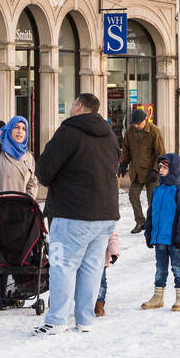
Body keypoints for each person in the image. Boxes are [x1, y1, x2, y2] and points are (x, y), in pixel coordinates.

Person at [32, 93, 120, 336]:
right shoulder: (110, 135)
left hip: (72, 212)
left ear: (78, 106)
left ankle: (57, 320)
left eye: (72, 104)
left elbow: (44, 170)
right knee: (92, 268)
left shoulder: (69, 131)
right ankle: (85, 319)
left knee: (62, 266)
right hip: (105, 213)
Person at [0, 115, 38, 311]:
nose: (20, 132)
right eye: (16, 128)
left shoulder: (28, 156)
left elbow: (32, 182)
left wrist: (28, 199)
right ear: (9, 130)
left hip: (19, 214)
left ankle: (12, 294)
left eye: (23, 128)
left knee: (14, 254)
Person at [141, 152, 180, 311]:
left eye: (165, 167)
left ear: (174, 169)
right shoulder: (157, 191)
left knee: (177, 267)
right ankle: (158, 297)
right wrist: (149, 234)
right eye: (160, 167)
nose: (161, 170)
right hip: (160, 238)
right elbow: (151, 213)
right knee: (160, 268)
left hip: (174, 239)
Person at [120, 107, 165, 234]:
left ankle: (154, 224)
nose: (136, 125)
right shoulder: (130, 131)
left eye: (138, 123)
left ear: (145, 120)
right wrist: (124, 163)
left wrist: (156, 170)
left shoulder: (154, 132)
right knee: (133, 195)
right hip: (136, 172)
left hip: (151, 172)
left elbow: (161, 153)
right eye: (134, 123)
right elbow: (126, 149)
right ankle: (140, 222)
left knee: (153, 200)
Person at [95, 229, 120, 317]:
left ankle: (99, 303)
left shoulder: (107, 218)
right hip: (85, 259)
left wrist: (114, 253)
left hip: (101, 259)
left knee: (101, 282)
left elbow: (112, 237)